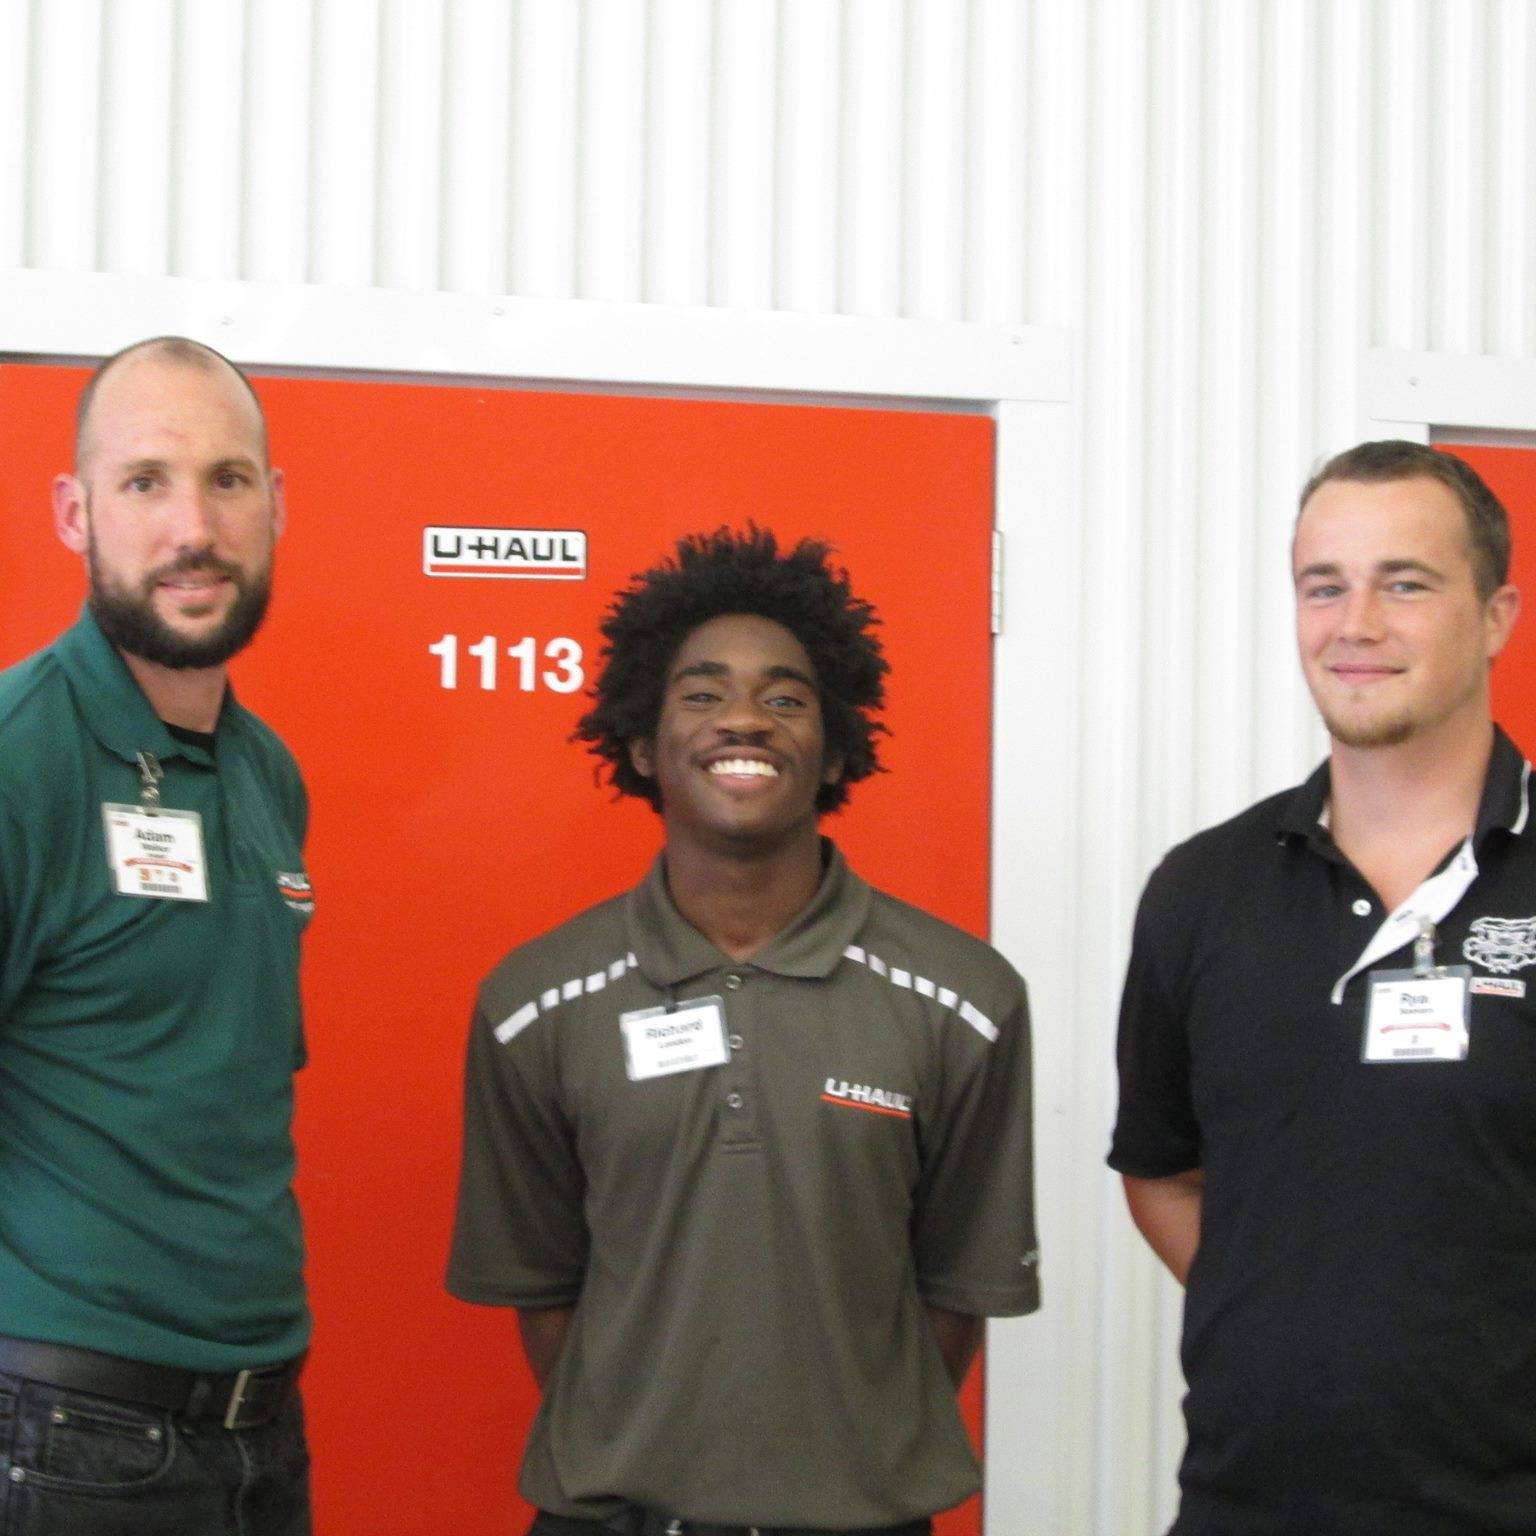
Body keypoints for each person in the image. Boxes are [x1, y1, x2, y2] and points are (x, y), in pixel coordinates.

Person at [448, 527, 1039, 1536]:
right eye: (703, 692)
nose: (744, 719)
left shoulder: (965, 997)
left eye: (786, 698)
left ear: (835, 747)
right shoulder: (535, 1001)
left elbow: (955, 1294)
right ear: (643, 743)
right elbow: (543, 1294)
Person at [1110, 440, 1535, 1535]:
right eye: (1323, 586)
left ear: (1496, 616)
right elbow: (1163, 1172)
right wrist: (1297, 1317)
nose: (1356, 624)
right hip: (1246, 1508)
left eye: (1406, 584)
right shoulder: (1202, 889)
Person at [0, 337, 314, 1533]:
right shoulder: (19, 760)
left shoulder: (266, 772)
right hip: (64, 1436)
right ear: (74, 514)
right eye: (145, 482)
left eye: (227, 481)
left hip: (258, 1431)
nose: (195, 527)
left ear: (274, 505)